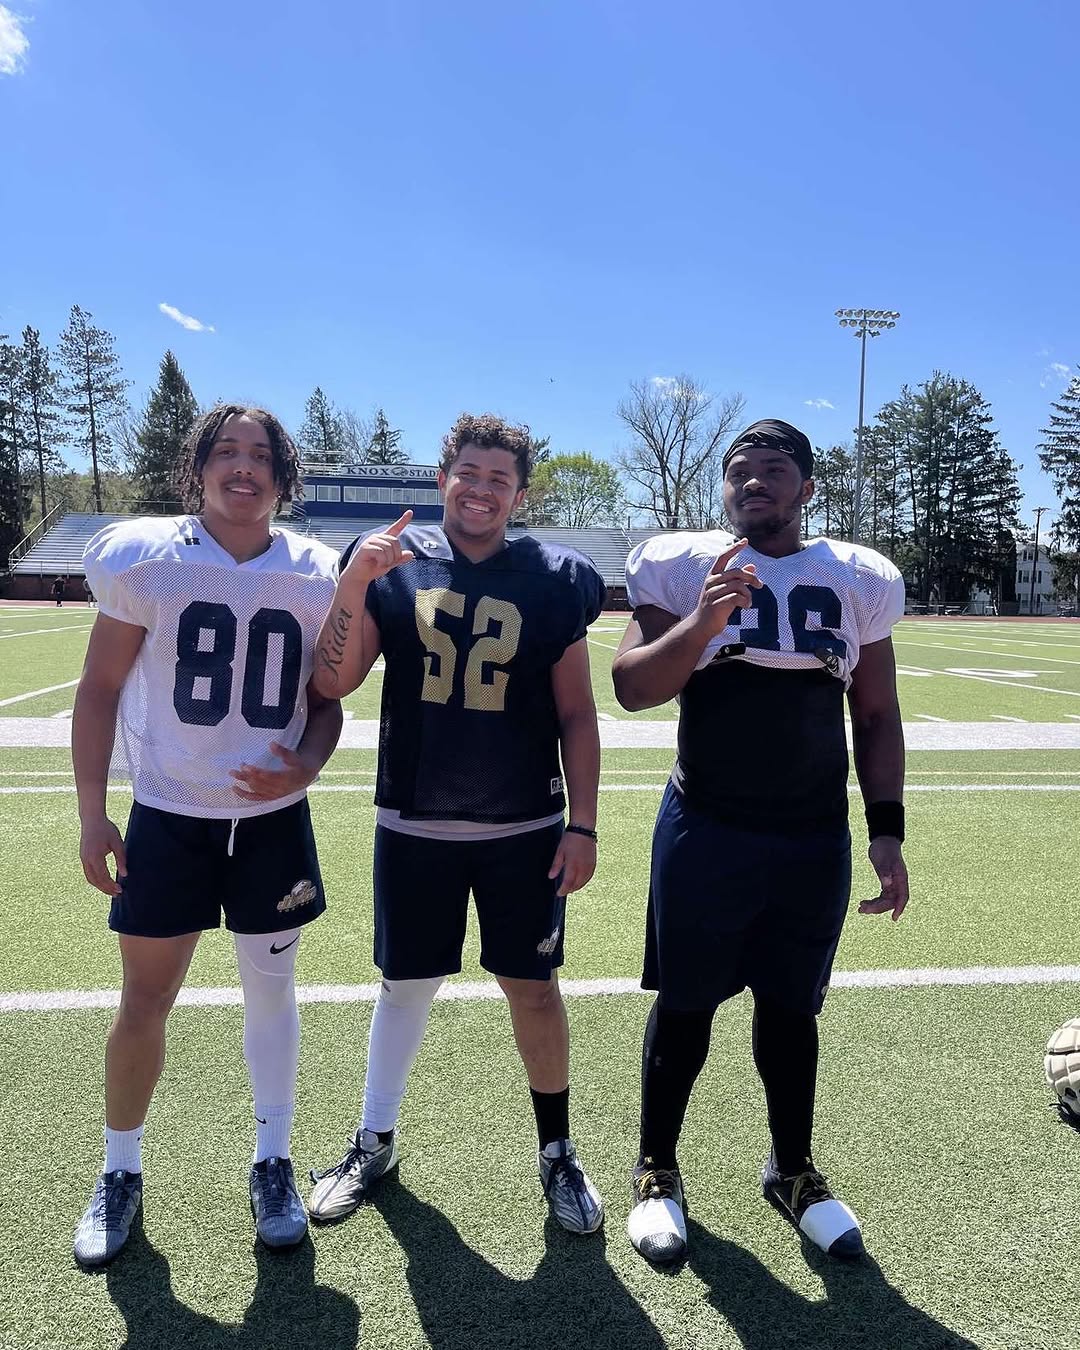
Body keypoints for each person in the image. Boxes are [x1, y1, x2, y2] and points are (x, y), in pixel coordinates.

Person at [612, 418, 909, 1265]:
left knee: (790, 1009)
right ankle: (657, 1170)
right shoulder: (682, 566)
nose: (754, 482)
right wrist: (702, 622)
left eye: (774, 470)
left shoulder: (854, 576)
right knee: (686, 1006)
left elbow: (876, 714)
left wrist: (886, 831)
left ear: (807, 487)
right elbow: (632, 686)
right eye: (740, 470)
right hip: (707, 825)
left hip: (811, 835)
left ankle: (793, 1170)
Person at [307, 412, 606, 1234]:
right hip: (416, 821)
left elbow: (577, 712)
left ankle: (557, 1151)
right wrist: (352, 584)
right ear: (442, 479)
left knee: (534, 990)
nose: (481, 490)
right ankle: (374, 1141)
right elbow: (332, 682)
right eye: (468, 473)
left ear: (520, 493)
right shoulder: (394, 563)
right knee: (404, 987)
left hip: (524, 825)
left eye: (499, 478)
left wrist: (584, 825)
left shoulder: (556, 576)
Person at [72, 405, 342, 1266]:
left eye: (260, 455)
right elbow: (98, 689)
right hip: (169, 814)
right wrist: (92, 812)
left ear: (282, 476)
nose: (243, 467)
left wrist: (305, 766)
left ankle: (273, 1159)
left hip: (269, 824)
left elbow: (327, 703)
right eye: (227, 451)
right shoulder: (148, 560)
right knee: (144, 1000)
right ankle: (120, 1169)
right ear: (199, 467)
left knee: (272, 994)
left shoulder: (315, 571)